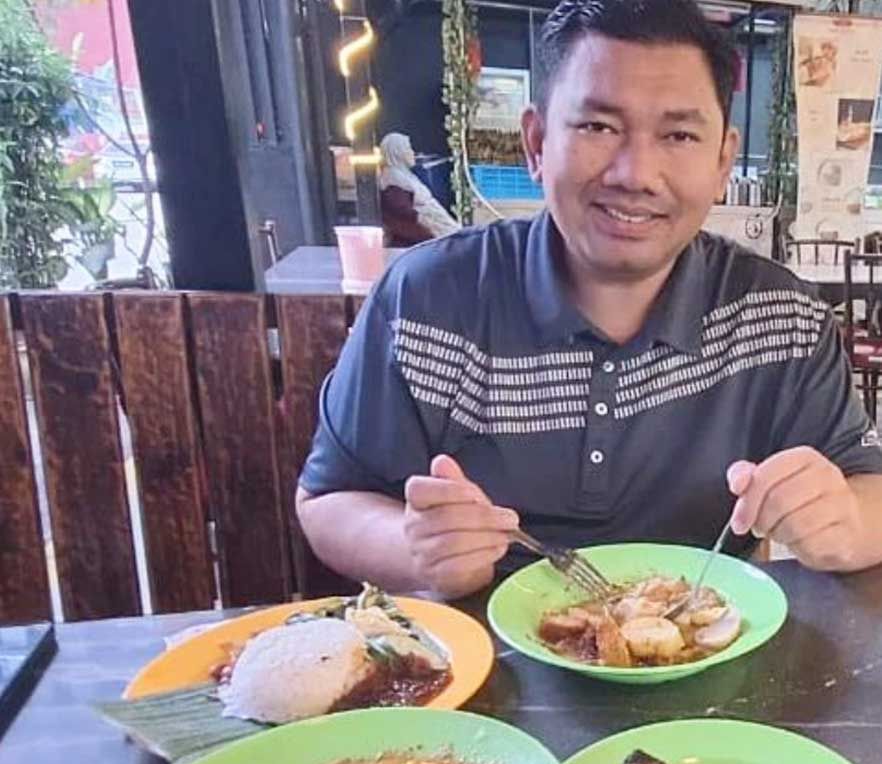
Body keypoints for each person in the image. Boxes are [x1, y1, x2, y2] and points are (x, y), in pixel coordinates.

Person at [297, 0, 882, 598]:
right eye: (598, 127)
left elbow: (871, 489)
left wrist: (845, 521)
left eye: (679, 134)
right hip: (471, 672)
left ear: (723, 160)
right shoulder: (424, 299)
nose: (636, 173)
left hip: (707, 662)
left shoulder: (783, 316)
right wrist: (416, 548)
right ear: (536, 142)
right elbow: (329, 499)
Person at [378, 132, 461, 246]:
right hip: (428, 234)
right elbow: (405, 217)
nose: (412, 153)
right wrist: (429, 229)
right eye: (408, 149)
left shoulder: (403, 174)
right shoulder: (393, 179)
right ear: (398, 152)